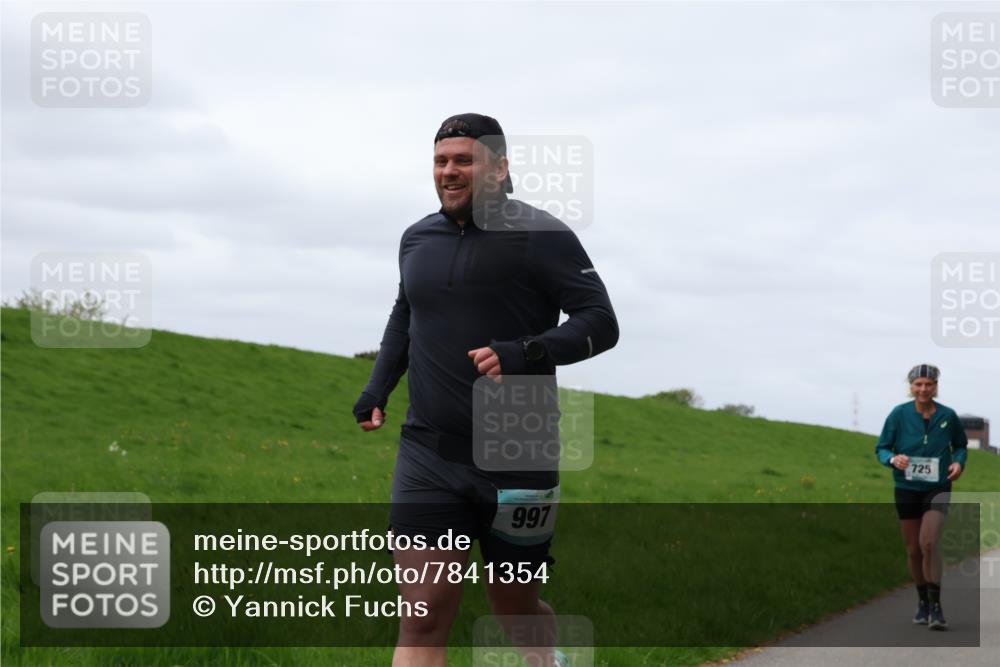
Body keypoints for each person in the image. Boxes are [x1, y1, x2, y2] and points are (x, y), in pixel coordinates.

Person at [353, 113, 619, 667]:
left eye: (463, 160)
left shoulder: (542, 235)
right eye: (440, 161)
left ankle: (548, 660)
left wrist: (527, 352)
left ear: (498, 168)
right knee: (423, 614)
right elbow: (407, 314)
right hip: (428, 453)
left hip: (518, 455)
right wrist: (377, 387)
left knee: (514, 610)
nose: (449, 171)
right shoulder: (416, 239)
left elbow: (600, 321)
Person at [875, 363, 968, 630]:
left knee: (929, 543)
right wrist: (893, 458)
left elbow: (960, 446)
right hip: (906, 486)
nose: (924, 389)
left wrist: (958, 463)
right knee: (914, 550)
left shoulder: (948, 415)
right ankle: (922, 602)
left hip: (937, 486)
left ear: (936, 386)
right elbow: (882, 448)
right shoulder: (899, 414)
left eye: (929, 384)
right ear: (911, 387)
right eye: (919, 384)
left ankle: (936, 606)